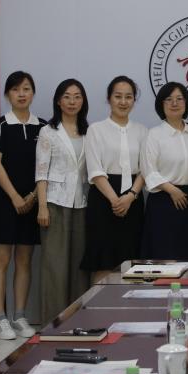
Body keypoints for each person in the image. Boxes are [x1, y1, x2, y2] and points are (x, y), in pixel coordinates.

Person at [0, 71, 44, 340]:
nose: (22, 94)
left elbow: (46, 165)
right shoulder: (0, 125)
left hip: (32, 202)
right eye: (16, 89)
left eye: (26, 88)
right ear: (7, 94)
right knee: (1, 259)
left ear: (33, 93)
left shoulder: (42, 126)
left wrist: (32, 197)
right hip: (3, 201)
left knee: (24, 260)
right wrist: (14, 197)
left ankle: (19, 316)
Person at [80, 76, 148, 284]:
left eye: (128, 97)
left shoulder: (142, 131)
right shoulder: (96, 129)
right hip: (103, 200)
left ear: (134, 100)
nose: (123, 102)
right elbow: (95, 170)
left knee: (132, 263)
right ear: (109, 98)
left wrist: (130, 196)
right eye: (118, 96)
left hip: (133, 200)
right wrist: (115, 200)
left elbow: (146, 169)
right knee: (103, 261)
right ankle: (99, 306)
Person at [35, 78, 90, 324]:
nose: (72, 101)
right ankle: (53, 322)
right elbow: (41, 172)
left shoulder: (88, 131)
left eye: (77, 96)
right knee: (55, 266)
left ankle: (77, 320)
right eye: (67, 96)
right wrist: (42, 206)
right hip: (55, 204)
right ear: (58, 101)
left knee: (79, 267)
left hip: (82, 203)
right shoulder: (48, 131)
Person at [140, 82, 188, 260]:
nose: (174, 103)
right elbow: (148, 170)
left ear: (186, 103)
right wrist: (172, 190)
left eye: (179, 99)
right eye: (169, 99)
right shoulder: (154, 134)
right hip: (163, 201)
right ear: (161, 104)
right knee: (164, 255)